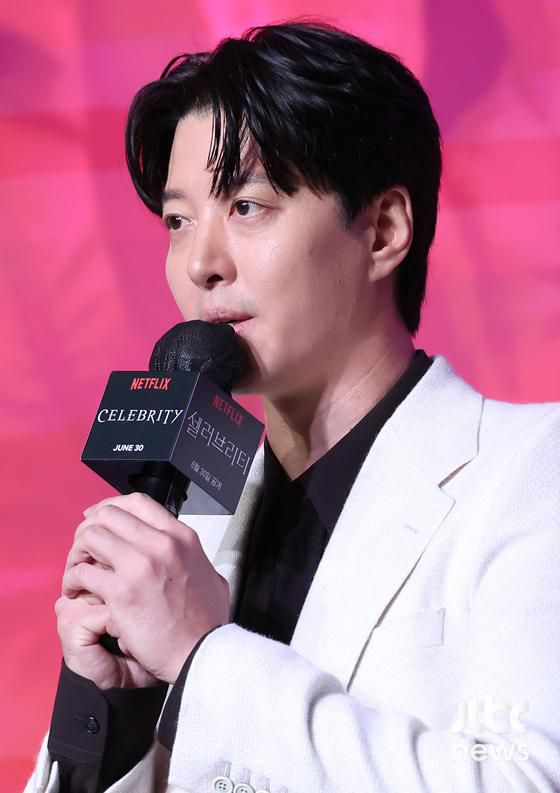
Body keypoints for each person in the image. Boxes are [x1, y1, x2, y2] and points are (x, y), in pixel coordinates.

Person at [25, 20, 560, 793]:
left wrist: (205, 655)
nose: (201, 263)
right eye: (178, 221)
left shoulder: (528, 470)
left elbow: (526, 779)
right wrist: (109, 714)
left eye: (248, 205)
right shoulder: (192, 531)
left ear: (382, 231)